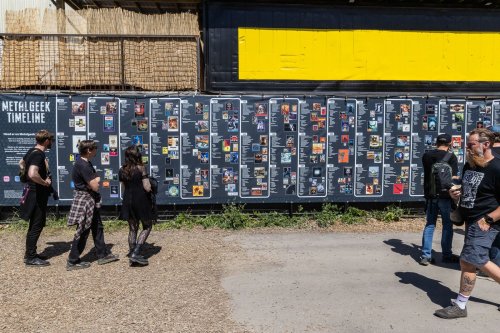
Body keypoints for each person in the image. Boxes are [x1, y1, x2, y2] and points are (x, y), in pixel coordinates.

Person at [435, 128, 500, 319]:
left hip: (485, 223)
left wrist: (489, 219)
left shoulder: (497, 168)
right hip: (470, 221)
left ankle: (461, 306)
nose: (467, 148)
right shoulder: (470, 166)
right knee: (470, 261)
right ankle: (461, 303)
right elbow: (469, 191)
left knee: (470, 260)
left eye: (471, 144)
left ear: (485, 144)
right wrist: (456, 194)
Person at [66, 140, 119, 270]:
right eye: (95, 148)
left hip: (89, 199)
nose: (96, 150)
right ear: (89, 150)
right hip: (86, 199)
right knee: (83, 229)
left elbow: (95, 180)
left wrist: (95, 180)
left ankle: (102, 255)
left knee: (97, 227)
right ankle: (72, 261)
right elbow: (95, 185)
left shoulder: (85, 163)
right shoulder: (82, 165)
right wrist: (96, 180)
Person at [420, 133, 459, 265]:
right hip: (446, 196)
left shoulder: (427, 156)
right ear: (449, 144)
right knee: (447, 225)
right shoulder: (452, 157)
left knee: (430, 224)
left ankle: (426, 255)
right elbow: (453, 178)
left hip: (431, 196)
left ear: (436, 143)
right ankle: (447, 255)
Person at [20, 130, 54, 266]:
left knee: (34, 224)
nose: (51, 143)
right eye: (51, 140)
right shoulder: (38, 155)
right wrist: (44, 182)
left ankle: (30, 253)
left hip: (31, 192)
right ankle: (30, 257)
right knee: (36, 225)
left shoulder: (31, 151)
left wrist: (26, 178)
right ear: (46, 141)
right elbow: (32, 173)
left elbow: (21, 163)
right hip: (36, 194)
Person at [119, 146, 155, 266]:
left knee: (133, 228)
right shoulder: (141, 168)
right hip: (141, 201)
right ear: (137, 155)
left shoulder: (122, 169)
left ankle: (131, 253)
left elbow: (123, 187)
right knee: (147, 226)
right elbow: (147, 187)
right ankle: (136, 253)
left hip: (128, 201)